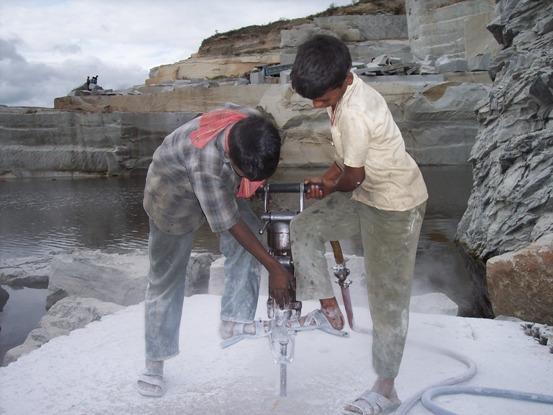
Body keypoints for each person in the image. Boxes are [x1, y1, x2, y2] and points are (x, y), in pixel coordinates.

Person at [289, 35, 428, 415]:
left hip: (396, 204)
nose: (318, 105)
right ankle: (331, 314)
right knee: (304, 228)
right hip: (366, 192)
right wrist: (324, 180)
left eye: (323, 99)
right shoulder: (342, 95)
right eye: (313, 99)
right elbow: (345, 161)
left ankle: (386, 389)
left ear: (345, 80)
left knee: (387, 298)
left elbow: (353, 176)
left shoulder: (355, 111)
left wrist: (330, 186)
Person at [137, 103, 291, 397]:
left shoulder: (253, 125)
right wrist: (274, 267)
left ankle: (235, 318)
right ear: (231, 155)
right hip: (173, 199)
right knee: (166, 279)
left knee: (252, 236)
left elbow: (236, 210)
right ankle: (154, 363)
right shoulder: (205, 162)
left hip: (221, 184)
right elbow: (229, 222)